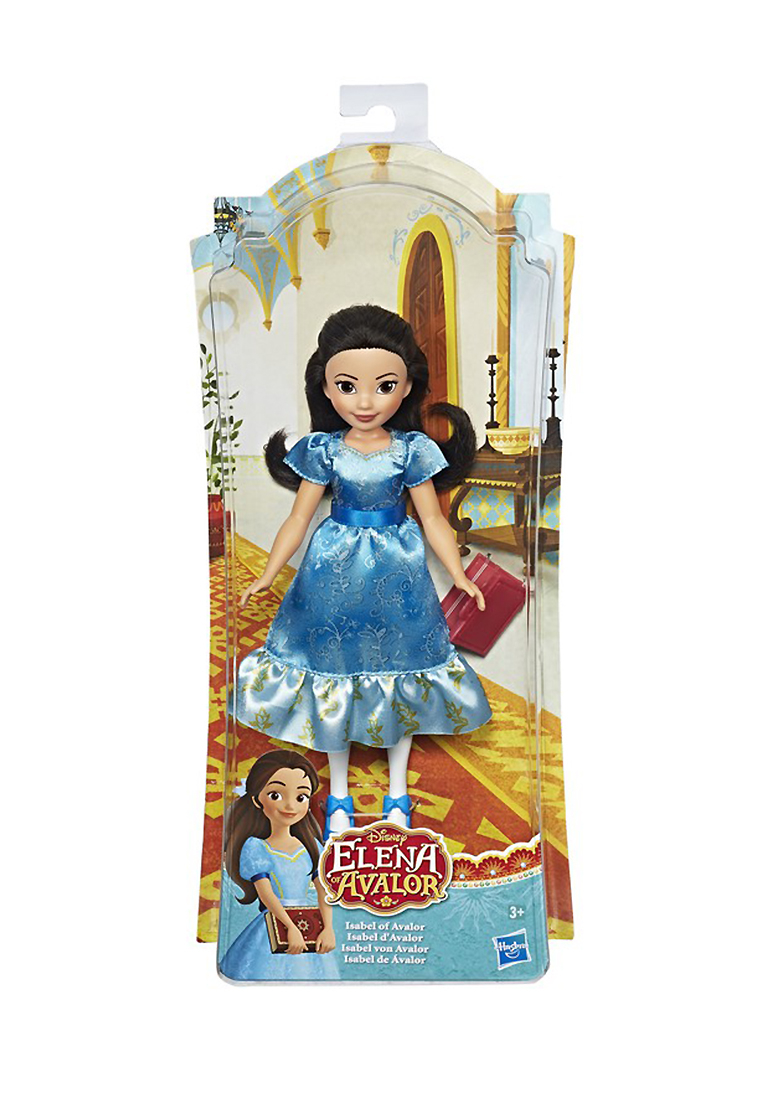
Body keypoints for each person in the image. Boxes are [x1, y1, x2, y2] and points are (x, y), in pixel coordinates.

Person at [233, 304, 492, 836]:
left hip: (399, 571)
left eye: (384, 386)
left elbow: (433, 520)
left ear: (406, 387)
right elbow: (298, 518)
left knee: (402, 670)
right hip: (332, 571)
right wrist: (268, 572)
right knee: (334, 672)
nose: (366, 402)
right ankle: (339, 795)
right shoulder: (325, 450)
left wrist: (461, 575)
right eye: (348, 386)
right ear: (326, 389)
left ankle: (398, 794)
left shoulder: (412, 450)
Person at [219, 749, 339, 981]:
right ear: (257, 799)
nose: (290, 805)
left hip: (309, 926)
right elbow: (267, 894)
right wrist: (290, 927)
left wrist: (328, 927)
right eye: (276, 795)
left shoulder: (311, 846)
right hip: (274, 924)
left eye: (301, 797)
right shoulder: (256, 848)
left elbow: (323, 890)